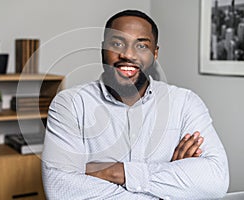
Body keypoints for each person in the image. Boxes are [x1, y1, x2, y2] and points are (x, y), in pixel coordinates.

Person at [42, 10, 229, 199]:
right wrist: (175, 182)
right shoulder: (70, 105)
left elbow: (216, 179)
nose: (128, 54)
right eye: (117, 44)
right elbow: (60, 190)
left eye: (141, 45)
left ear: (155, 53)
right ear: (102, 49)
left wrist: (119, 172)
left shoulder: (185, 103)